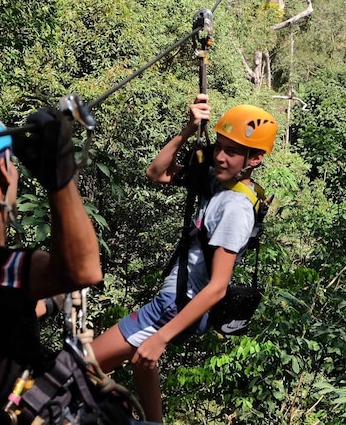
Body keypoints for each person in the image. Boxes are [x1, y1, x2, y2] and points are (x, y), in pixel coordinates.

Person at [0, 106, 141, 425]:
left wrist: (51, 301)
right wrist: (59, 176)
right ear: (4, 170)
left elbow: (2, 315)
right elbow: (83, 269)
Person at [90, 94, 278, 423]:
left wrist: (162, 337)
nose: (220, 157)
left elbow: (218, 287)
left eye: (232, 152)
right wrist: (187, 131)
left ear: (256, 158)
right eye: (219, 146)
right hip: (177, 300)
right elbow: (156, 172)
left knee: (79, 368)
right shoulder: (219, 184)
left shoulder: (234, 207)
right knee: (140, 361)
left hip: (176, 305)